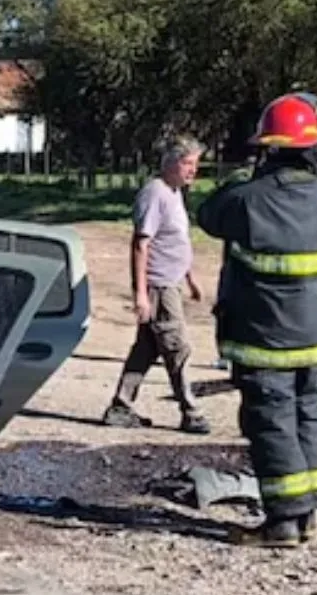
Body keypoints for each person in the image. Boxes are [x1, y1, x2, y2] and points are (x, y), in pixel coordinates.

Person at [196, 92, 317, 548]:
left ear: (268, 148)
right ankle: (309, 510)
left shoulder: (249, 200)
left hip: (265, 341)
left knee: (271, 423)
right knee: (307, 417)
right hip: (316, 339)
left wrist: (243, 175)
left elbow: (208, 215)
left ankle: (282, 521)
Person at [102, 135, 211, 435]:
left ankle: (120, 406)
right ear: (172, 163)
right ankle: (191, 411)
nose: (193, 171)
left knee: (147, 348)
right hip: (159, 286)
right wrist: (141, 293)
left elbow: (178, 240)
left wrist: (191, 278)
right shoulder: (155, 194)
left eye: (195, 165)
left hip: (172, 283)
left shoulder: (175, 193)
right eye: (188, 164)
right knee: (177, 347)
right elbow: (141, 245)